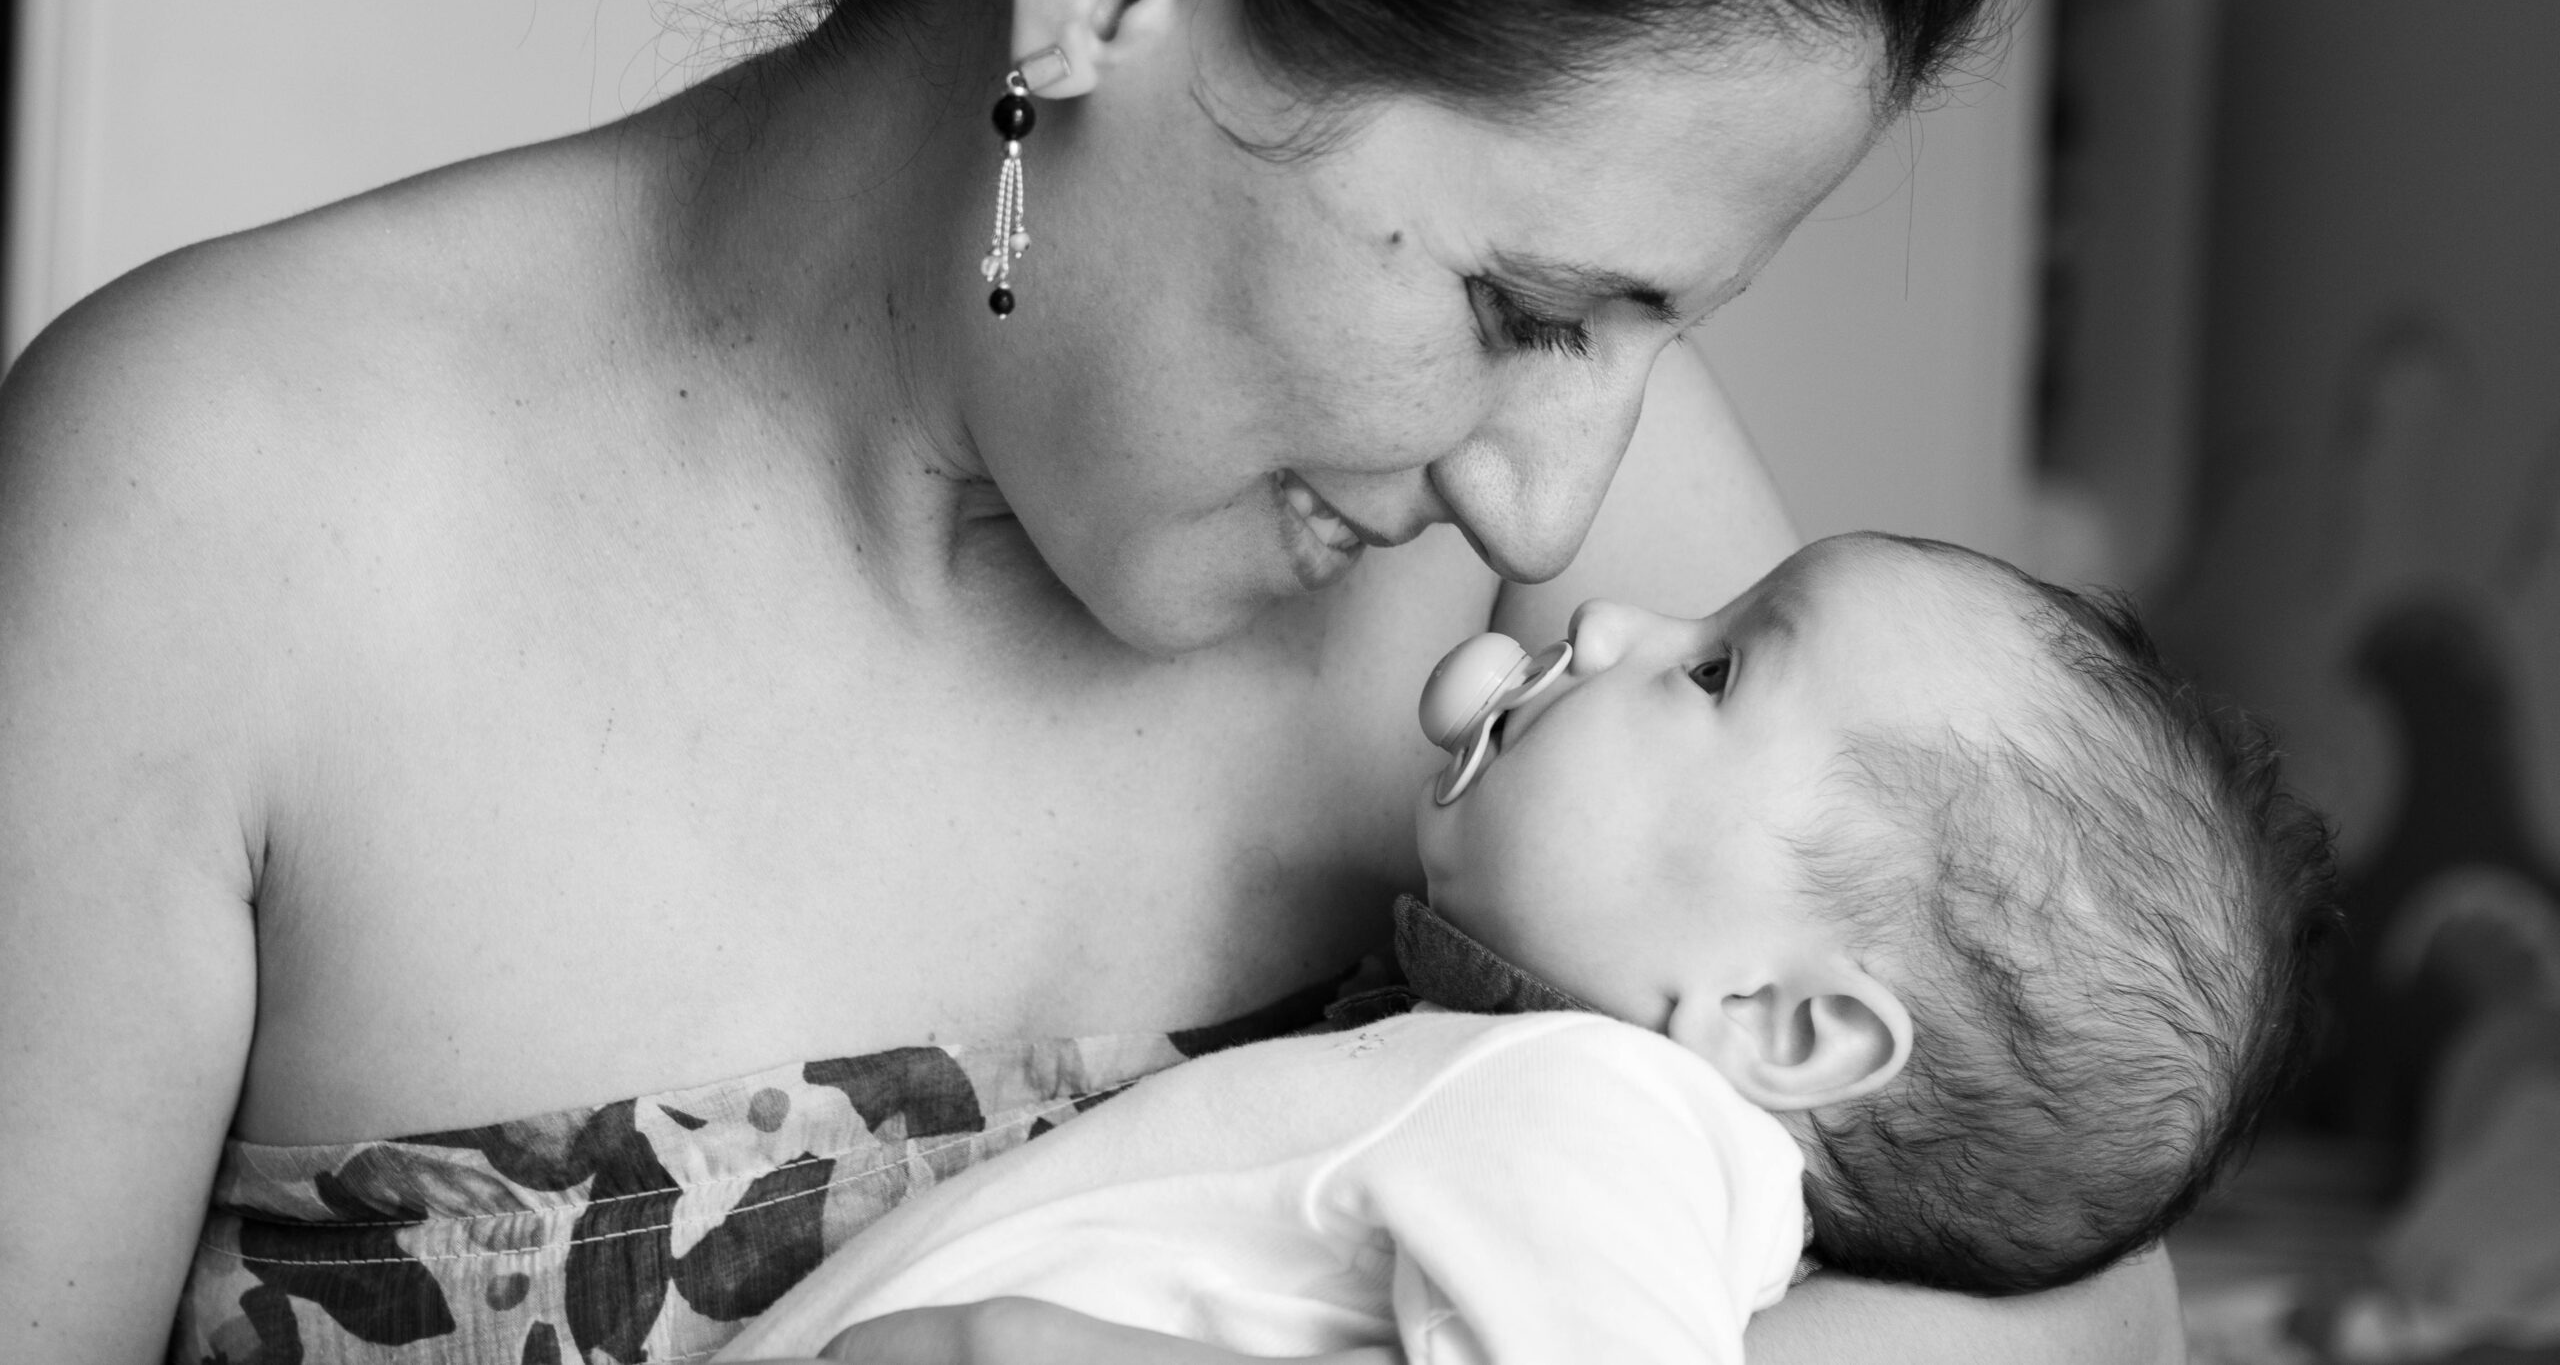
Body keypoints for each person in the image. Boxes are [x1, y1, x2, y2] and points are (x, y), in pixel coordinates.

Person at [0, 0, 2186, 1363]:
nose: (1552, 502)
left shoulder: (1535, 537)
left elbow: (2082, 1282)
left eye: (1642, 328)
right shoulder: (213, 511)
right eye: (1522, 306)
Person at [719, 533, 2333, 1363]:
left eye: (1714, 670)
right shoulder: (1545, 1107)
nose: (1611, 622)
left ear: (1786, 1023)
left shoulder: (1597, 1122)